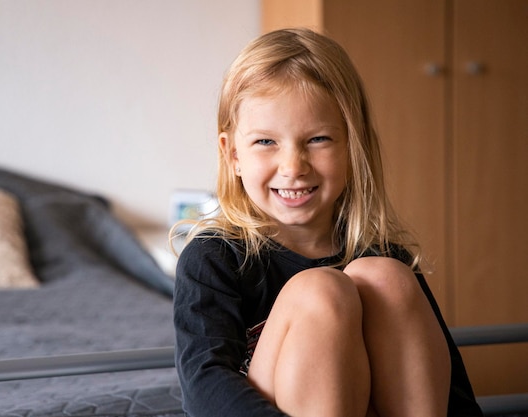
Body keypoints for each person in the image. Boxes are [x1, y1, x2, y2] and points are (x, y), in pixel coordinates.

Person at [172, 28, 483, 417]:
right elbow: (204, 385)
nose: (293, 167)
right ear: (232, 154)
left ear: (353, 148)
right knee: (321, 291)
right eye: (266, 142)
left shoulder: (385, 256)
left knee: (386, 276)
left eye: (318, 139)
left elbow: (447, 387)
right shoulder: (214, 256)